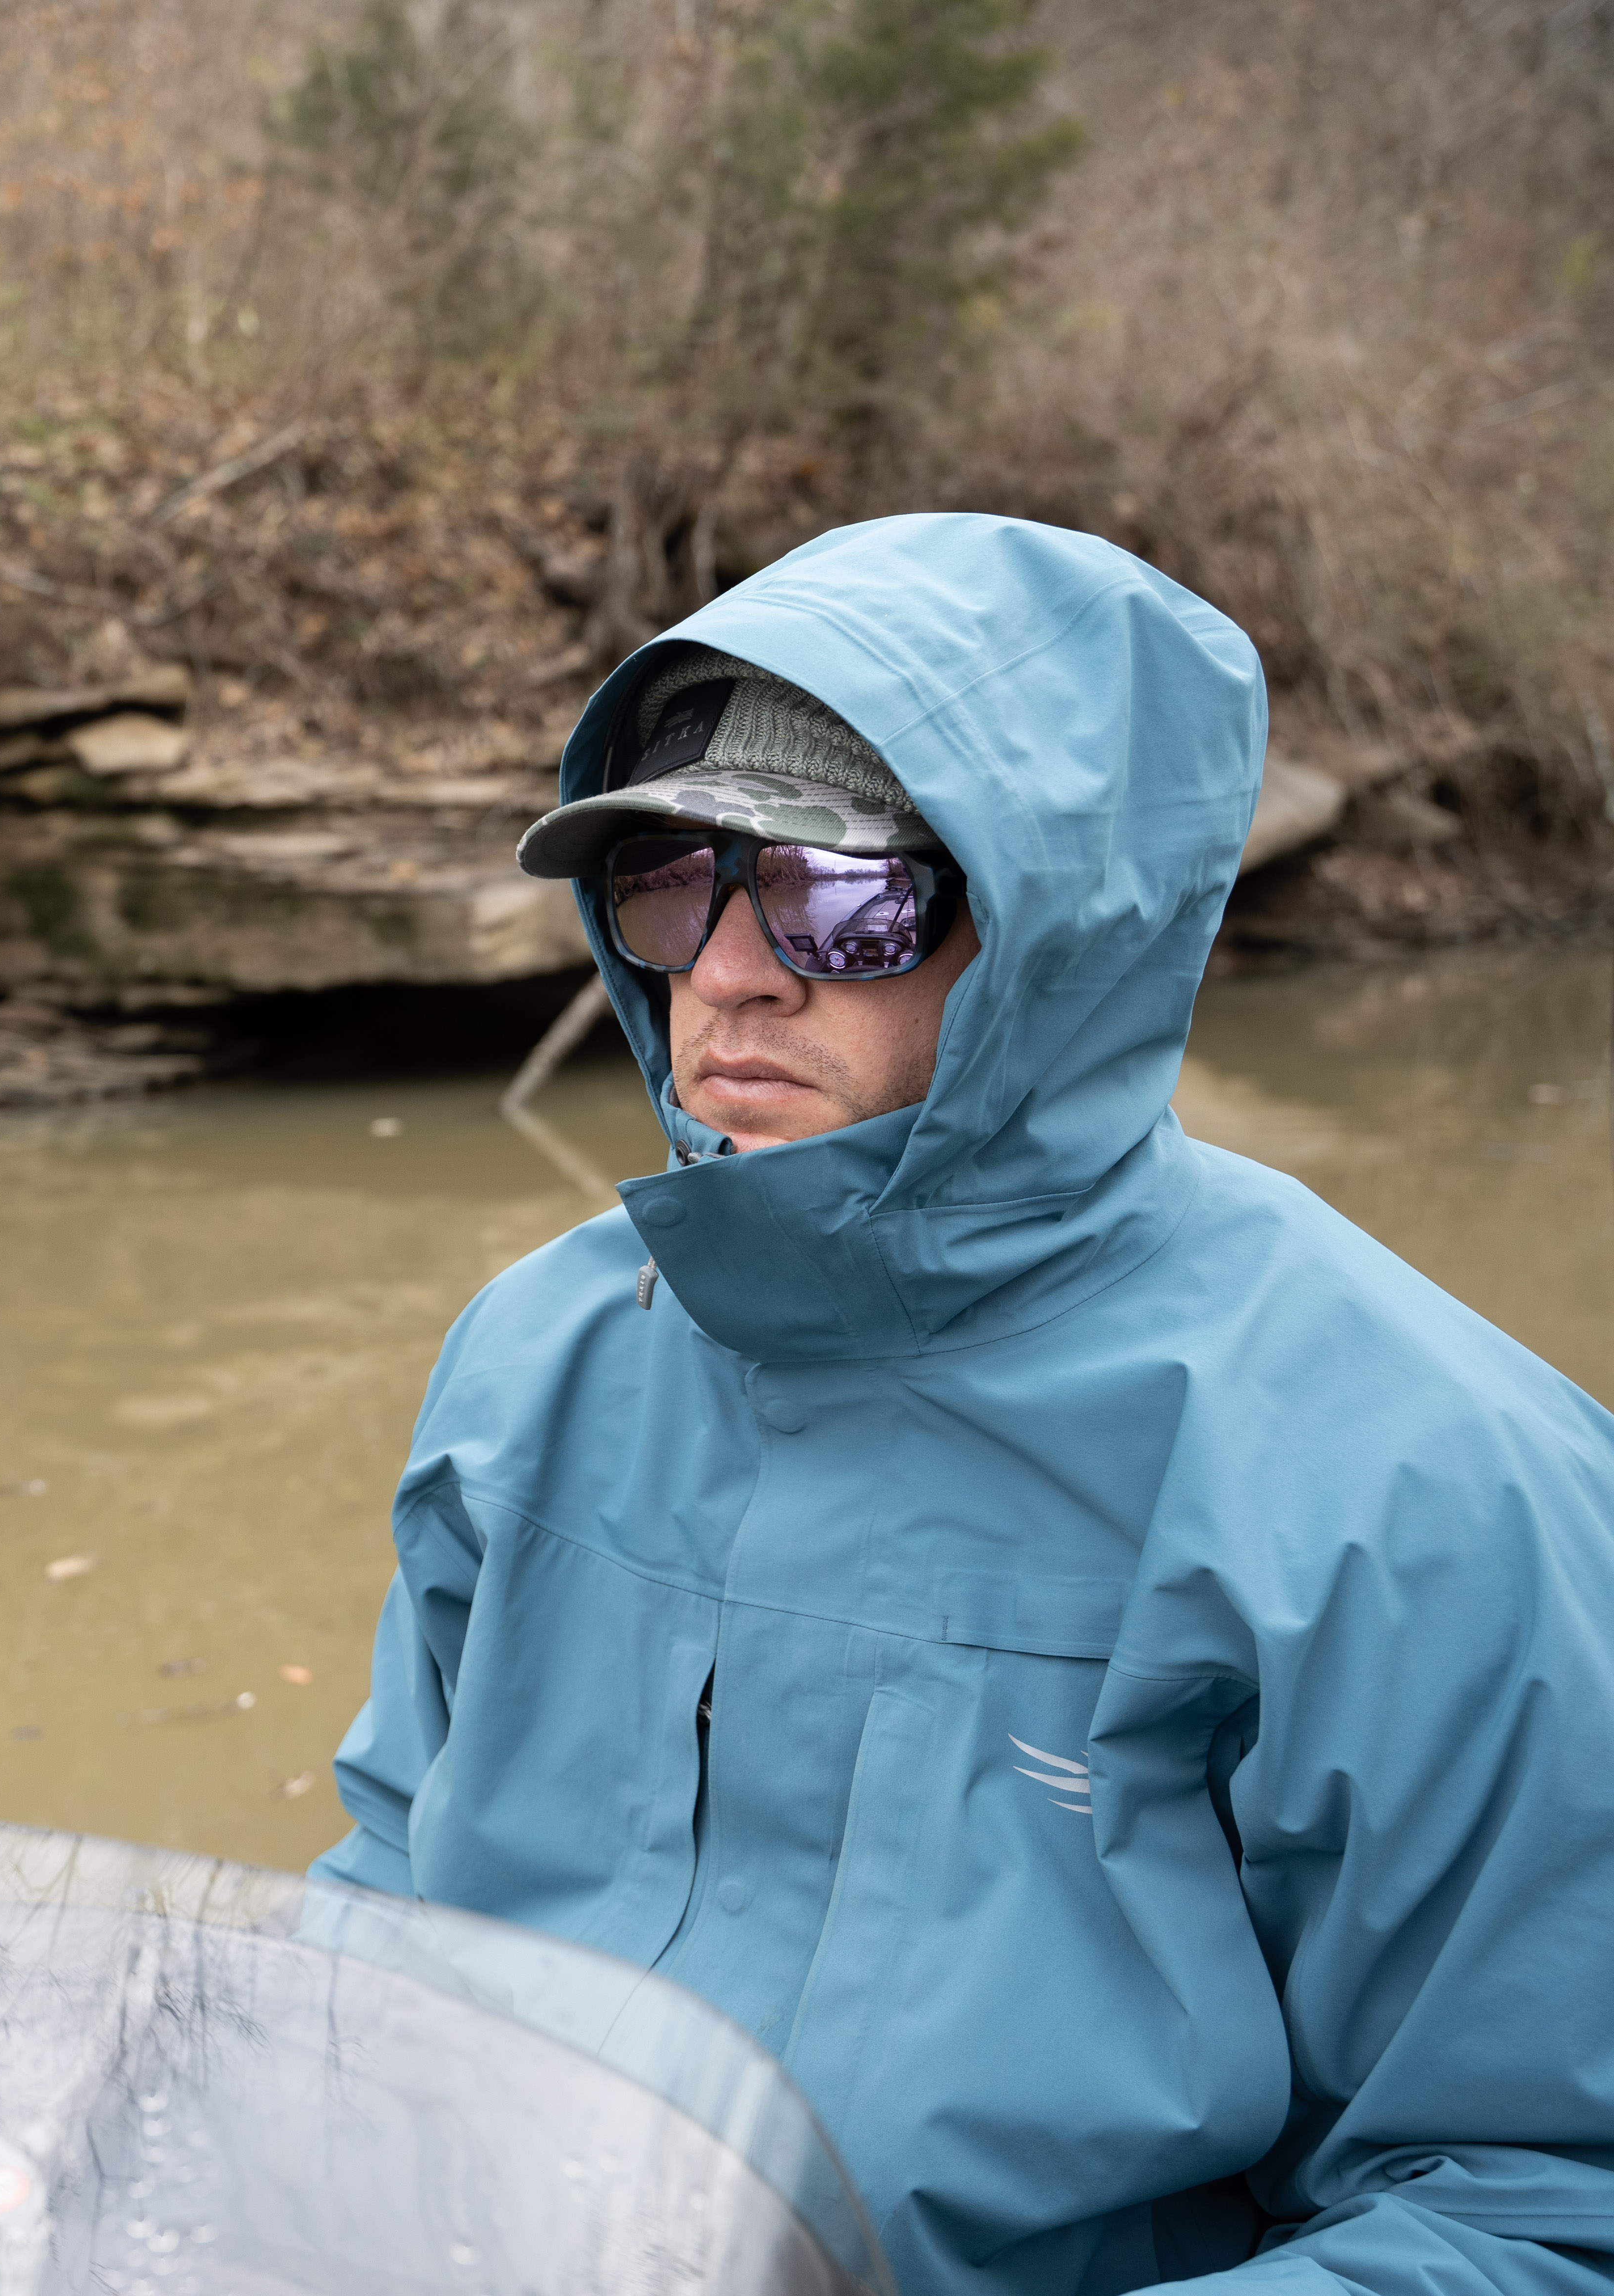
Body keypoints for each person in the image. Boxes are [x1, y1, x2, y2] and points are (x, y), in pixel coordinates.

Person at [316, 513, 1614, 2296]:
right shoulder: (536, 1359)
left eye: (844, 898)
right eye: (672, 881)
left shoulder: (1430, 1484)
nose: (727, 970)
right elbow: (387, 1896)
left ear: (1060, 938)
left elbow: (1538, 2198)